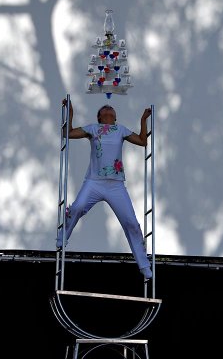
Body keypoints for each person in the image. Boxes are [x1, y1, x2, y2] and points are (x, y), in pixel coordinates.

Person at [56, 100, 152, 280]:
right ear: (99, 116)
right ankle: (63, 237)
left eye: (111, 109)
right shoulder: (93, 128)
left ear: (115, 117)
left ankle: (144, 265)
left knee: (131, 222)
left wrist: (143, 119)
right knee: (77, 208)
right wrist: (70, 110)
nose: (108, 109)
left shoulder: (121, 130)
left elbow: (142, 141)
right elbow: (67, 133)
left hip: (115, 184)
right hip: (94, 181)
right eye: (104, 109)